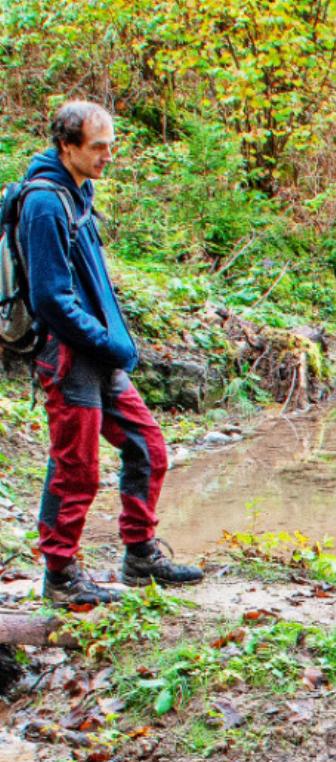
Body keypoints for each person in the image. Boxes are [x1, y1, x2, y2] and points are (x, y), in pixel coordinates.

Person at [21, 101, 201, 607]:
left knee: (148, 447)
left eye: (111, 146)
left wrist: (112, 344)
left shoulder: (79, 191)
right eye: (98, 147)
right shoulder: (43, 205)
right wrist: (110, 342)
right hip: (68, 356)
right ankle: (60, 577)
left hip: (100, 356)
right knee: (76, 468)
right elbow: (51, 299)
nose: (107, 156)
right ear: (67, 146)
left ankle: (140, 557)